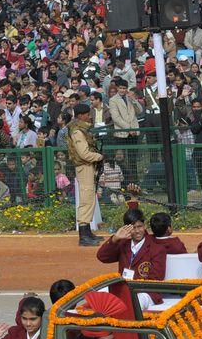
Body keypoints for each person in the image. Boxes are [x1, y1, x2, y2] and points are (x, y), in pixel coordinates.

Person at [96, 205, 167, 310]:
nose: (137, 231)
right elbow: (102, 257)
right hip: (123, 289)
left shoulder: (156, 247)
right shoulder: (123, 243)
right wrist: (115, 239)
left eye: (140, 226)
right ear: (126, 229)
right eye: (133, 228)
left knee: (135, 302)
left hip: (146, 292)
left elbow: (156, 278)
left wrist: (131, 289)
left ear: (145, 226)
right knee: (98, 295)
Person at [68, 103, 104, 246]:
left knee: (90, 199)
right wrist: (99, 157)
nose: (89, 116)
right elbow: (84, 154)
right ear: (80, 116)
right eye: (87, 114)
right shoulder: (77, 131)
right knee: (86, 198)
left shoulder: (81, 129)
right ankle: (84, 236)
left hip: (87, 166)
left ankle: (87, 232)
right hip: (84, 166)